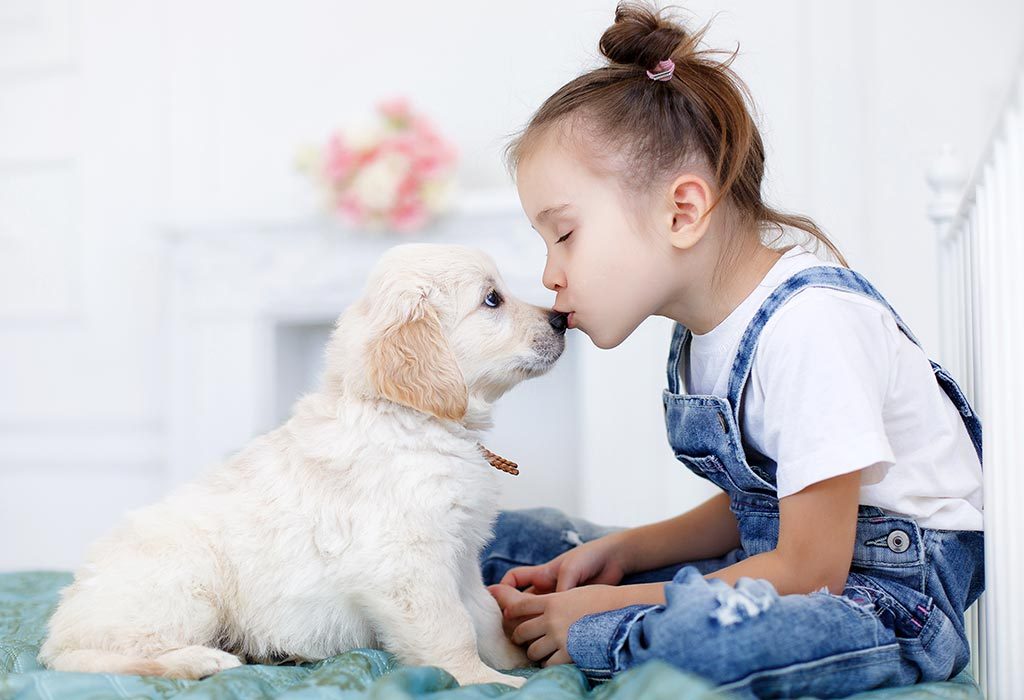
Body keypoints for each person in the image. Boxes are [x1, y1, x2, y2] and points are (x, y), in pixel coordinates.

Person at [481, 3, 984, 697]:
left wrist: (604, 608)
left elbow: (812, 568)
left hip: (884, 599)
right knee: (509, 541)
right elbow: (769, 502)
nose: (549, 275)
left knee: (701, 638)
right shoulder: (703, 333)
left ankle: (602, 642)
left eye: (563, 235)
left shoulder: (812, 325)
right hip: (778, 561)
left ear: (682, 211)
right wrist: (617, 553)